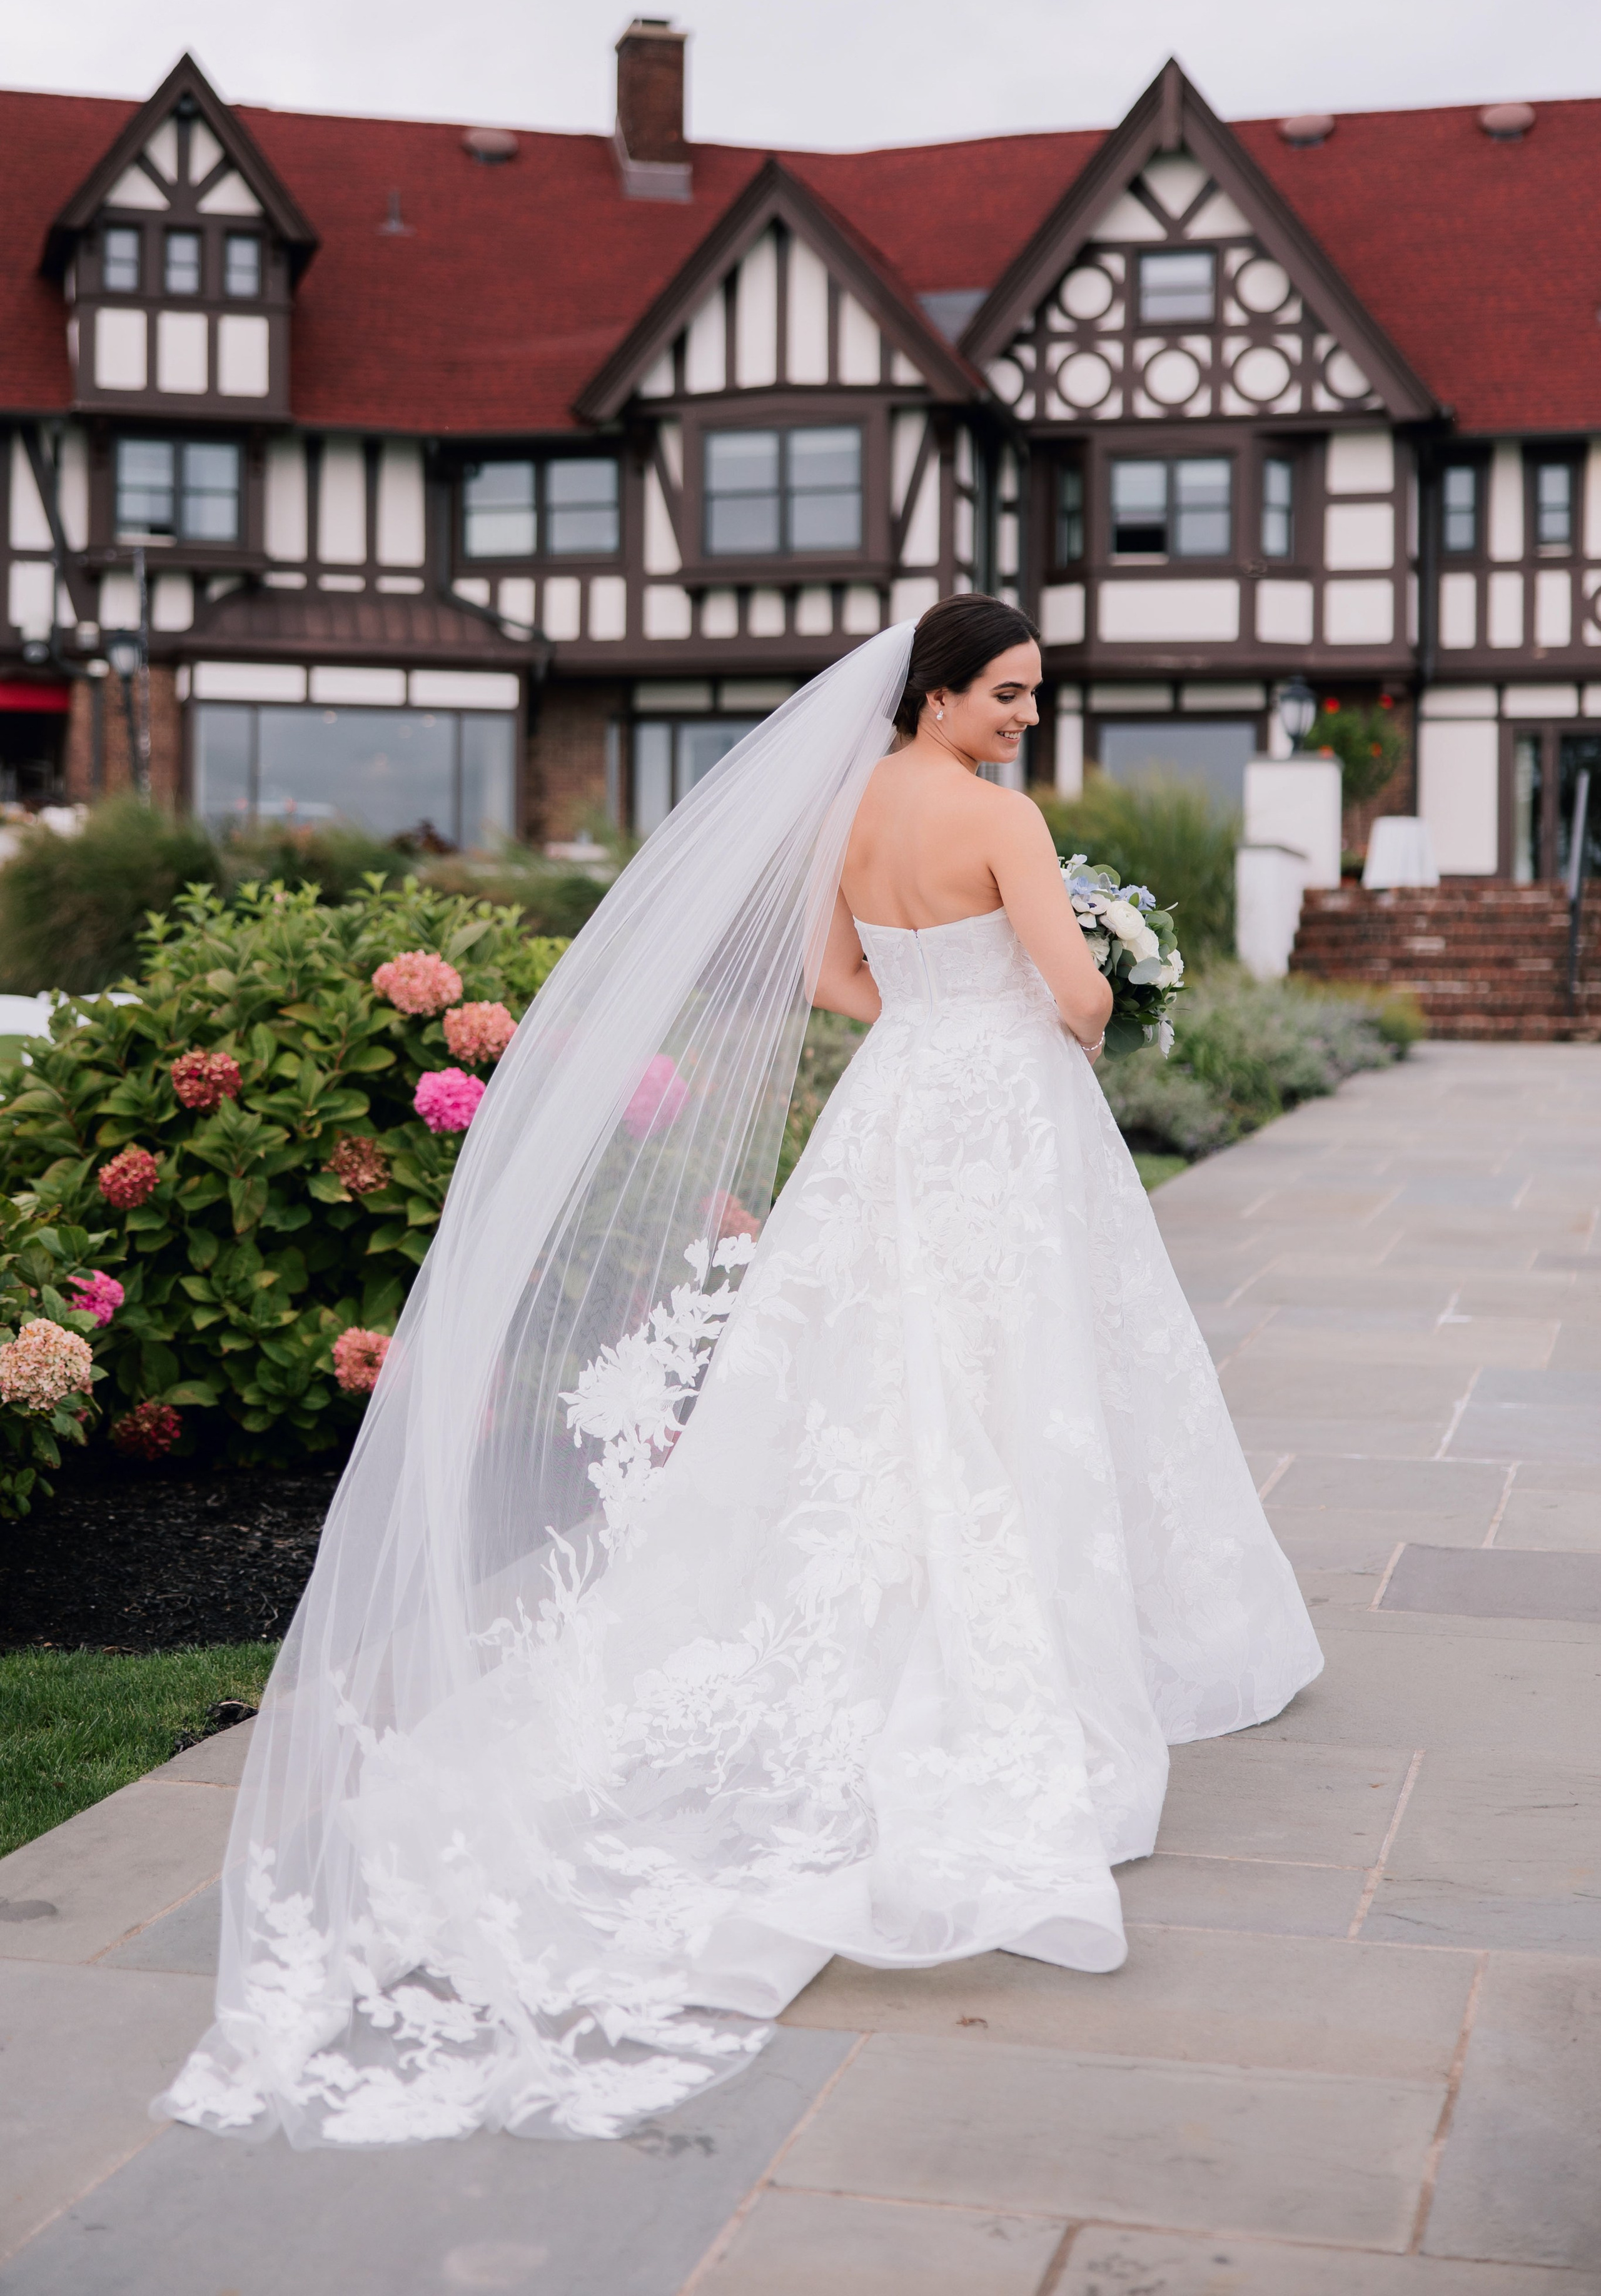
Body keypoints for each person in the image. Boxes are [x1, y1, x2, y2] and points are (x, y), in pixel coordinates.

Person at [160, 597, 1321, 2150]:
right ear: (937, 694)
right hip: (996, 1115)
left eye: (1033, 698)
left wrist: (932, 1003)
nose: (1026, 717)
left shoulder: (849, 807)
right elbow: (1081, 999)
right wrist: (1094, 971)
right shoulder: (1001, 819)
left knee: (862, 1364)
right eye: (1007, 694)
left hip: (899, 1096)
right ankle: (1024, 1618)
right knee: (1021, 1361)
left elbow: (826, 974)